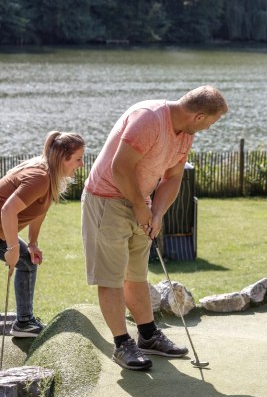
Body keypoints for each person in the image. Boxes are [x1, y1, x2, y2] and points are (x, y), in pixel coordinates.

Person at [81, 85, 228, 371]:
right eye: (212, 121)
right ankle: (122, 344)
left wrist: (157, 213)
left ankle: (147, 335)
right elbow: (119, 168)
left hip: (142, 202)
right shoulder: (149, 119)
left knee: (136, 275)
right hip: (107, 200)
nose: (211, 127)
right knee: (111, 277)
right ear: (199, 116)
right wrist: (140, 205)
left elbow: (173, 178)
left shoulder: (186, 134)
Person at [0, 131, 85, 337]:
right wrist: (11, 248)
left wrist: (32, 243)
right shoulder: (40, 177)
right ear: (62, 158)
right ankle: (24, 322)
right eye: (78, 159)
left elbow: (39, 209)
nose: (81, 164)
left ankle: (24, 322)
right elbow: (8, 210)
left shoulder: (48, 176)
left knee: (28, 261)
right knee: (24, 262)